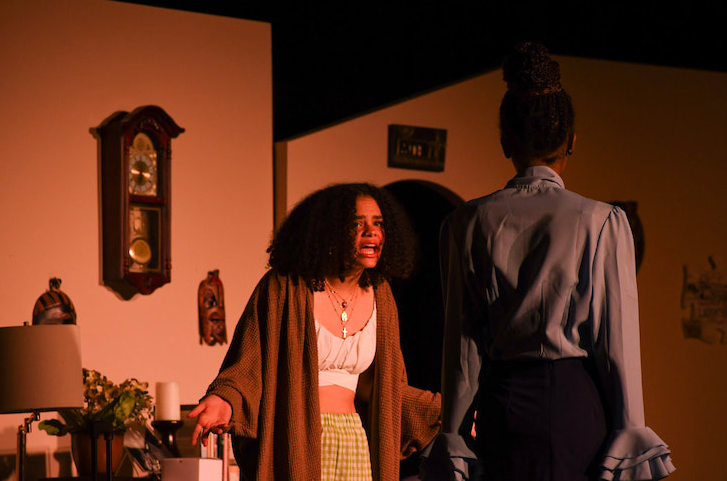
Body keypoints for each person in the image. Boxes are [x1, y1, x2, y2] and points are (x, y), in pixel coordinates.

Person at [422, 42, 675, 480]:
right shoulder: (600, 221)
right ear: (571, 142)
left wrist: (454, 433)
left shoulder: (466, 222)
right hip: (576, 406)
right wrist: (631, 430)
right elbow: (616, 341)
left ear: (505, 142)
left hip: (502, 408)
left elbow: (462, 345)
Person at [189, 183, 441, 480]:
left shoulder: (381, 295)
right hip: (295, 439)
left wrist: (447, 411)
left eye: (378, 224)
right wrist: (225, 399)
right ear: (329, 231)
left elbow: (388, 390)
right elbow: (248, 363)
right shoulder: (284, 287)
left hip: (353, 440)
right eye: (357, 224)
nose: (372, 232)